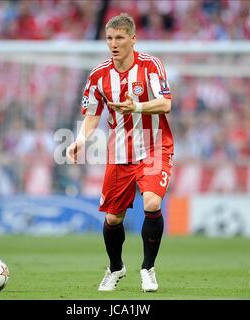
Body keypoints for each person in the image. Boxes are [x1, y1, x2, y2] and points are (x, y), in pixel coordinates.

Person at [66, 13, 174, 292]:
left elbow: (165, 104)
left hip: (154, 146)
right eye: (110, 38)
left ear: (133, 39)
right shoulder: (99, 75)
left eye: (120, 38)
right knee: (113, 219)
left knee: (151, 203)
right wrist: (80, 140)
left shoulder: (151, 66)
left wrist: (136, 107)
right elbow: (92, 114)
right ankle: (115, 267)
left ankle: (148, 269)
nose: (114, 44)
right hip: (120, 151)